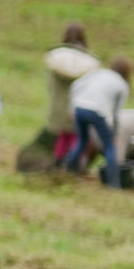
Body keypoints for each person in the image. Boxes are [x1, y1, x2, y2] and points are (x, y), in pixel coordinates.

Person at [65, 56, 134, 187]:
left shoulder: (99, 72)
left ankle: (67, 170)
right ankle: (113, 183)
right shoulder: (122, 85)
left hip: (79, 107)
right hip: (96, 111)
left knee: (81, 141)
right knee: (109, 146)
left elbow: (75, 85)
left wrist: (71, 107)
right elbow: (116, 113)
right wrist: (114, 134)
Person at [44, 23, 98, 165]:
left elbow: (50, 85)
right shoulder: (87, 61)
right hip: (79, 105)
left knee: (62, 136)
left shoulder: (58, 57)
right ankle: (72, 164)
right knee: (77, 136)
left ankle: (56, 162)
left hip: (59, 105)